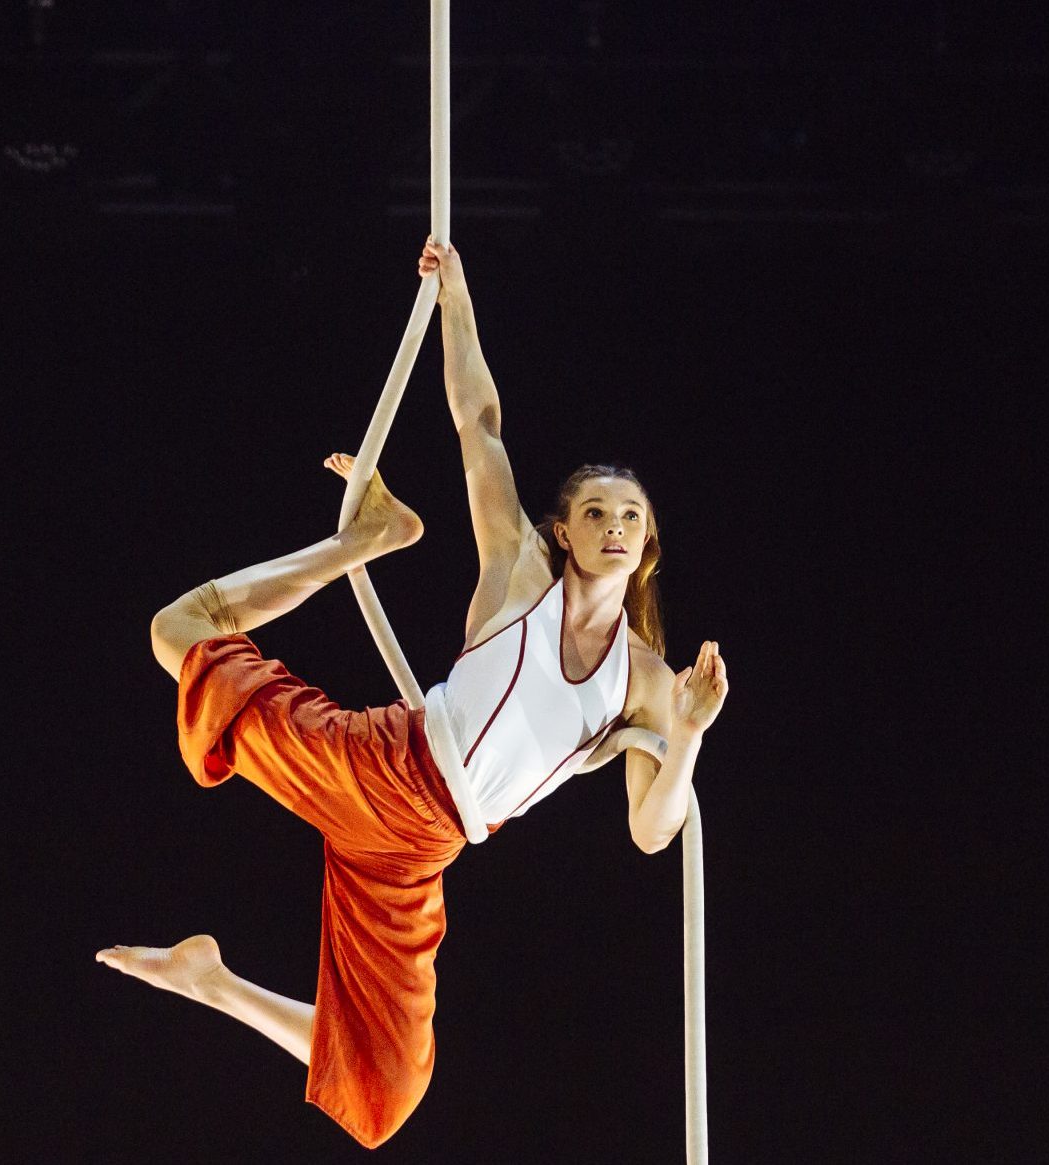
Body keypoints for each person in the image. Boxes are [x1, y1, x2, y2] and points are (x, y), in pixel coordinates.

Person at [97, 237, 729, 1149]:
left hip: (421, 852)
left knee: (386, 1097)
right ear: (564, 529)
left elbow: (650, 828)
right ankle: (360, 542)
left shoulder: (650, 682)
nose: (615, 526)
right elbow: (480, 423)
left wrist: (694, 736)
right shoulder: (521, 572)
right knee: (179, 631)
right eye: (596, 511)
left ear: (650, 545)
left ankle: (212, 980)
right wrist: (455, 299)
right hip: (382, 771)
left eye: (632, 517)